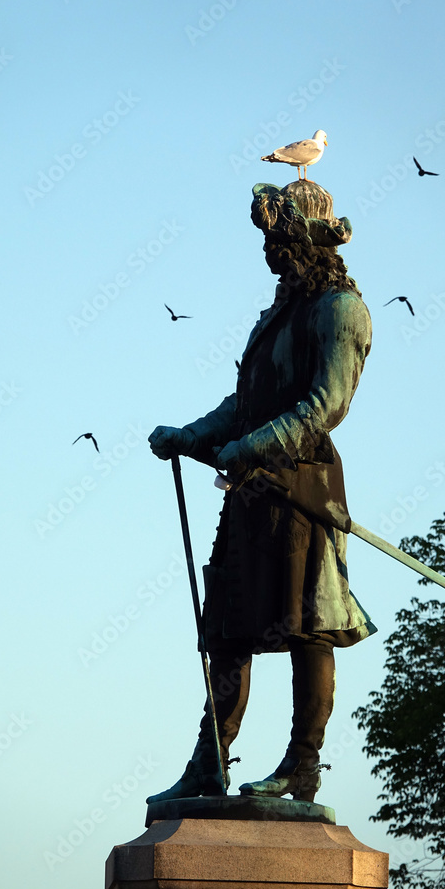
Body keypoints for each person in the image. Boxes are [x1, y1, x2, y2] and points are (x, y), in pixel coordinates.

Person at [147, 180, 376, 803]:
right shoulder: (274, 319)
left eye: (277, 239)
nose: (269, 251)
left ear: (306, 238)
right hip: (250, 495)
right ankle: (210, 763)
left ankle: (302, 765)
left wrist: (252, 447)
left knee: (307, 628)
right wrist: (190, 435)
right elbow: (243, 404)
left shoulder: (340, 310)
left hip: (304, 489)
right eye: (266, 241)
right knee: (227, 631)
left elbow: (326, 404)